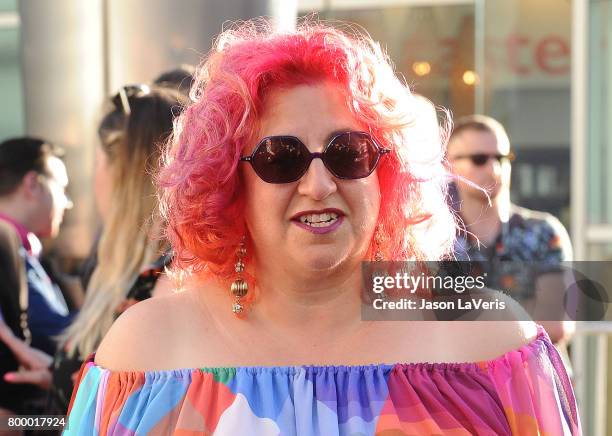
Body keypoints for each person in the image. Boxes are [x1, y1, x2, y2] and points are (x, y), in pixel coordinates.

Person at [66, 21, 581, 435]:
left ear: (389, 173)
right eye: (280, 157)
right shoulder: (146, 353)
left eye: (348, 154)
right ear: (228, 183)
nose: (318, 183)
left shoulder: (489, 343)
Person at [0, 86, 188, 414]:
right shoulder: (149, 277)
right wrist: (58, 376)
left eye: (97, 162)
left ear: (123, 175)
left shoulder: (159, 283)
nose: (72, 199)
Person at [447, 115, 575, 348]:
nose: (494, 168)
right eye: (479, 159)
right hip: (463, 382)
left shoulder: (543, 232)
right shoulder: (435, 239)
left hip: (535, 380)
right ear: (450, 165)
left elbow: (554, 324)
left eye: (502, 158)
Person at [0, 138, 73, 416]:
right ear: (32, 184)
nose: (67, 202)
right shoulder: (6, 248)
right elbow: (53, 333)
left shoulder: (26, 249)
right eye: (62, 187)